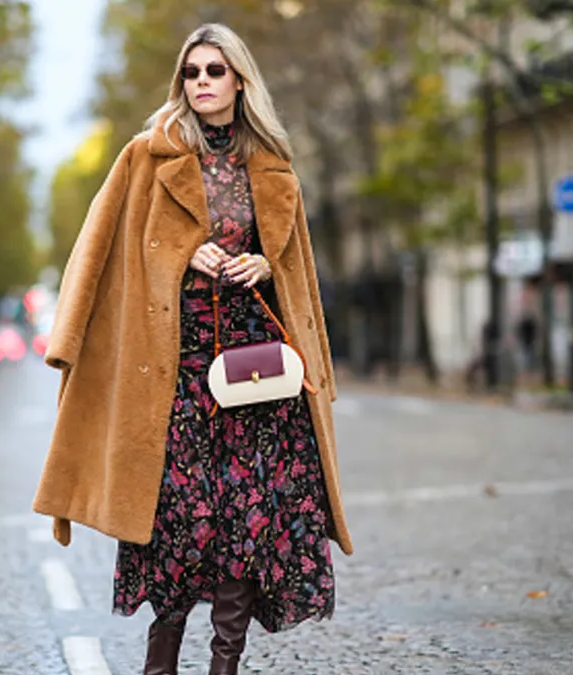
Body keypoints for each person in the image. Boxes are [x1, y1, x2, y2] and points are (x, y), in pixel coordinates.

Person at [31, 23, 353, 675]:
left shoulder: (273, 166)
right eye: (191, 72)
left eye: (214, 70)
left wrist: (263, 265)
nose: (201, 82)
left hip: (258, 377)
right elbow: (103, 251)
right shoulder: (147, 158)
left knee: (244, 524)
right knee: (179, 524)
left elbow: (298, 273)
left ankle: (224, 663)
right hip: (177, 375)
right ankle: (160, 664)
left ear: (239, 81)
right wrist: (183, 256)